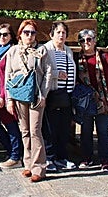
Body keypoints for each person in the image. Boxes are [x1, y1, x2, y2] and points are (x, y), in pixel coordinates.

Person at [5, 20, 53, 183]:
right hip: (19, 94)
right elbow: (8, 75)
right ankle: (28, 164)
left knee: (35, 130)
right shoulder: (13, 51)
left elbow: (48, 72)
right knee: (24, 130)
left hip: (36, 95)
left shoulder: (41, 50)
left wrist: (43, 94)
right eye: (26, 32)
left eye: (32, 33)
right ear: (20, 34)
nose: (30, 35)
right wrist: (9, 99)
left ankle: (39, 167)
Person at [75, 29, 108, 172]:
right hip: (86, 101)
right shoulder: (77, 59)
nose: (86, 42)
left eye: (89, 39)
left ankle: (104, 160)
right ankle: (86, 158)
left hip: (103, 100)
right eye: (82, 40)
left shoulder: (105, 57)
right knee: (86, 131)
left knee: (103, 131)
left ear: (95, 40)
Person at [41, 21, 77, 171]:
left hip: (66, 96)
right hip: (52, 94)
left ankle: (62, 158)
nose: (61, 35)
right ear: (52, 34)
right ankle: (49, 158)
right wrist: (56, 74)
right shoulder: (46, 49)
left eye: (63, 32)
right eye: (58, 32)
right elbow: (41, 70)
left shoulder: (68, 50)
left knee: (64, 128)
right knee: (50, 129)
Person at [0, 23, 22, 169]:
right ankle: (13, 150)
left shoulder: (12, 52)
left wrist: (3, 96)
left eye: (5, 34)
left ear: (11, 36)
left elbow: (10, 77)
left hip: (5, 93)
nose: (2, 37)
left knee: (10, 123)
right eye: (0, 34)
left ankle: (15, 156)